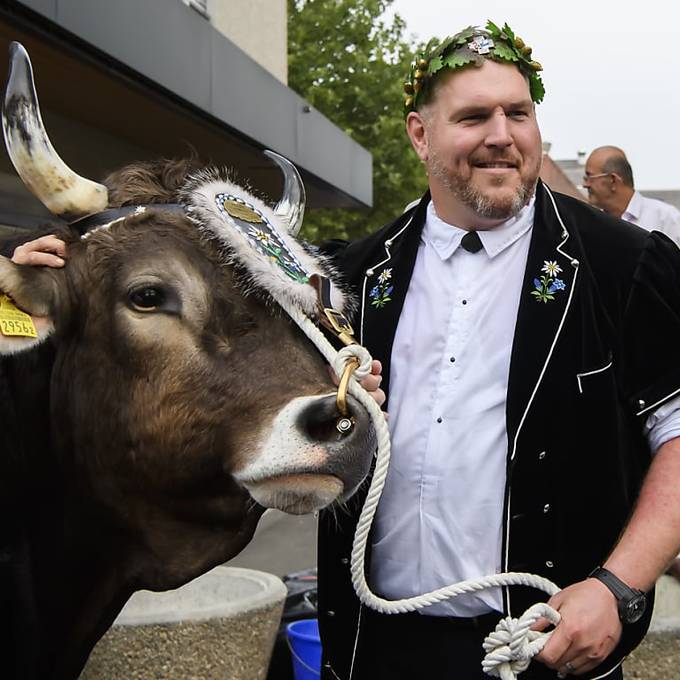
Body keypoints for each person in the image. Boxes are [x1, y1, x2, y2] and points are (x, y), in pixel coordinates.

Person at [316, 21, 680, 680]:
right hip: (378, 648)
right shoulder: (359, 275)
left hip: (545, 644)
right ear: (420, 135)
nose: (502, 136)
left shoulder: (624, 267)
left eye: (518, 112)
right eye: (474, 116)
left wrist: (618, 588)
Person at [583, 146, 680, 247]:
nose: (585, 184)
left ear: (613, 179)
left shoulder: (666, 218)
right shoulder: (591, 226)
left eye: (589, 177)